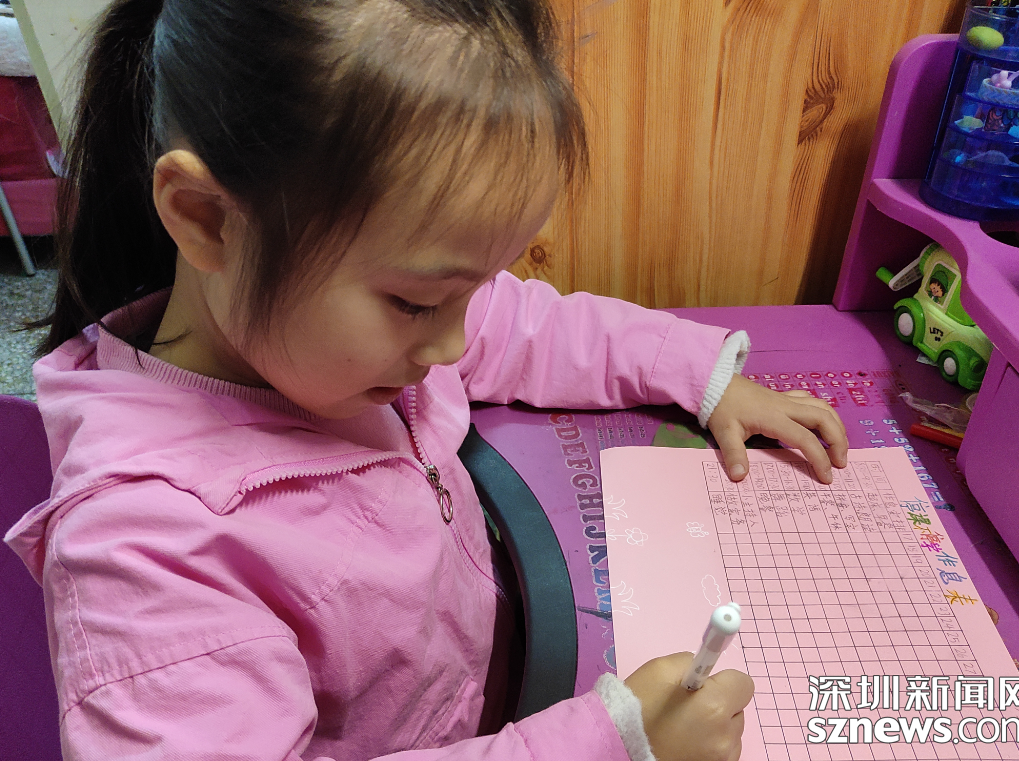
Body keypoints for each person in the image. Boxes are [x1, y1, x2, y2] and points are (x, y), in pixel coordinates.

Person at [5, 0, 848, 758]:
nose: (453, 342)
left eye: (470, 289)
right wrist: (608, 744)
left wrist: (697, 370)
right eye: (416, 301)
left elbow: (520, 321)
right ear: (207, 220)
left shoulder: (343, 336)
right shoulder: (148, 558)